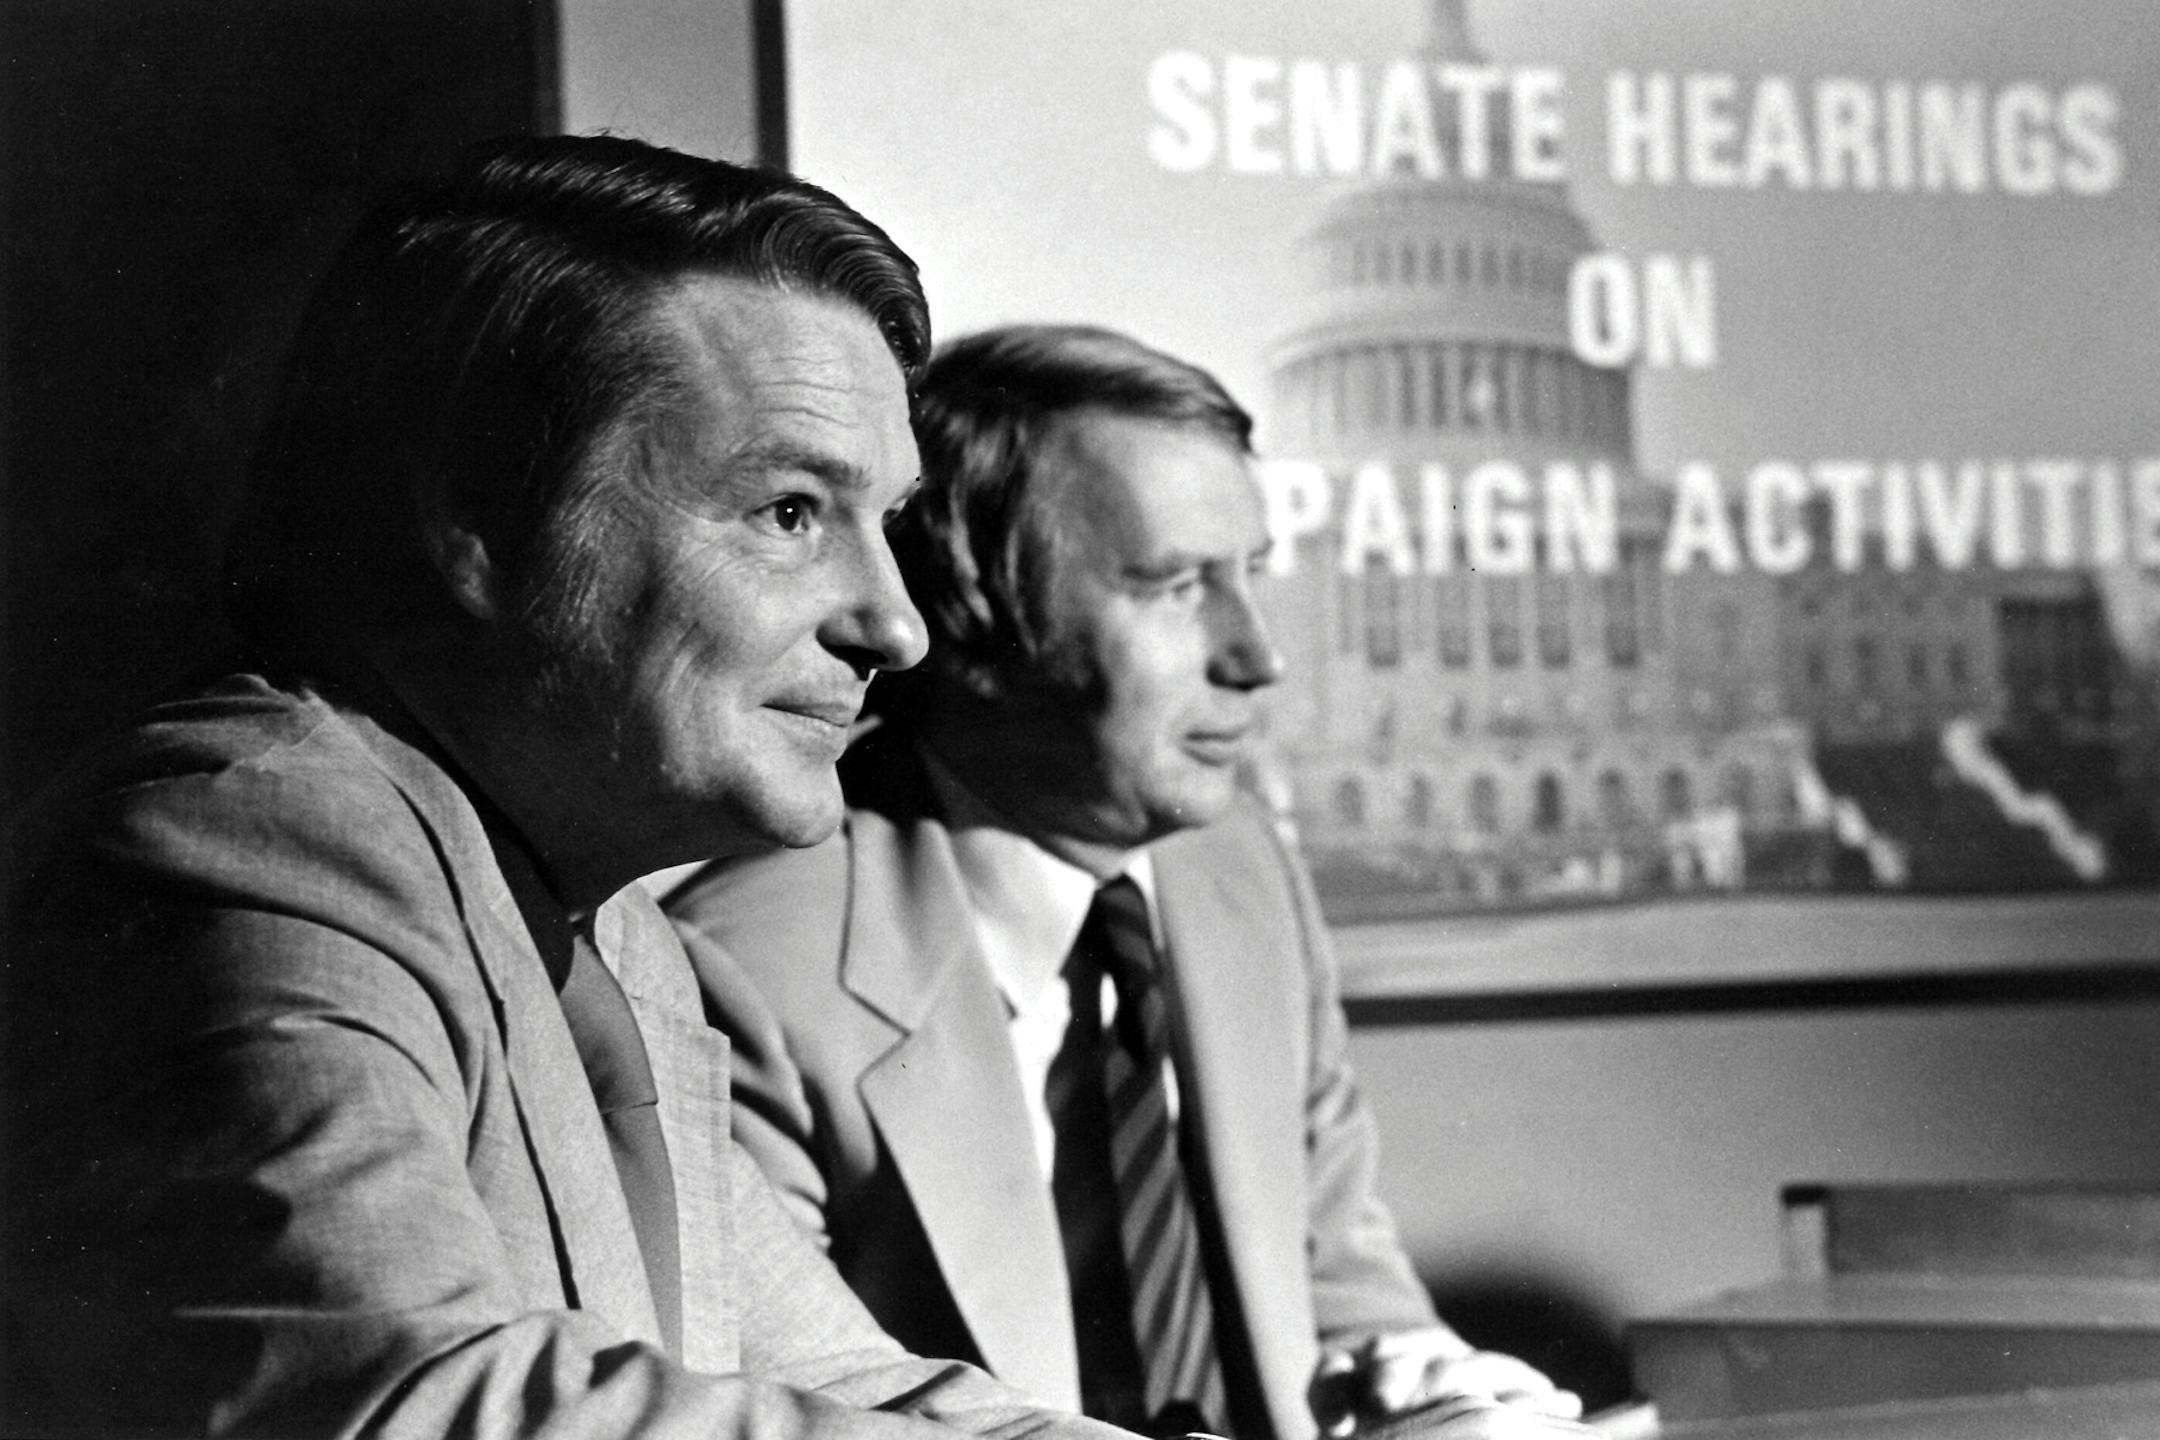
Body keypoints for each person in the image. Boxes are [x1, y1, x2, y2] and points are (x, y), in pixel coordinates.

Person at [1, 137, 1158, 1440]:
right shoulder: (245, 845)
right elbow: (412, 1404)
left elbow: (846, 1388)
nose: (898, 627)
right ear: (475, 527)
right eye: (788, 513)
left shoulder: (606, 925)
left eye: (883, 524)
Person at [665, 326, 1588, 1440]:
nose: (1257, 654)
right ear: (965, 618)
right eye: (1175, 587)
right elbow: (784, 1412)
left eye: (1252, 577)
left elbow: (1338, 1287)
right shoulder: (743, 963)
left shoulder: (1240, 873)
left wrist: (1436, 1390)